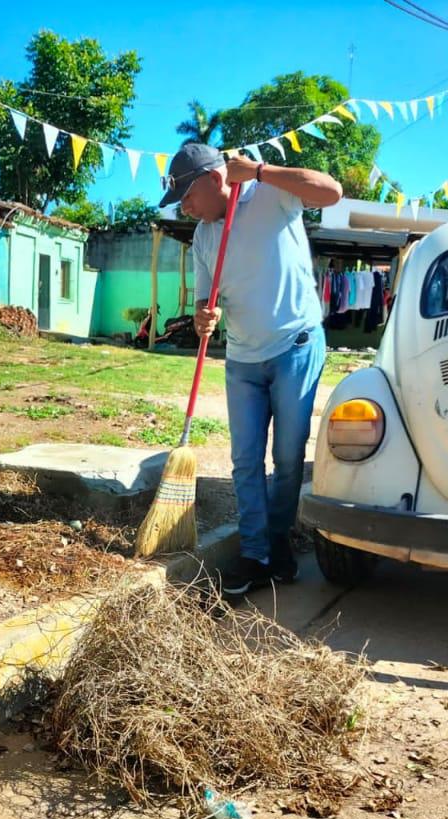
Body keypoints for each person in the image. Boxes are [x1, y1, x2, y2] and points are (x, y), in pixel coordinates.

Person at [159, 143, 343, 595]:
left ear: (213, 179)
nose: (183, 207)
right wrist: (205, 315)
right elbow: (206, 298)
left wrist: (262, 171)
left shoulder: (270, 194)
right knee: (244, 461)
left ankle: (278, 545)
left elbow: (332, 192)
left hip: (295, 347)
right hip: (242, 359)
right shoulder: (204, 236)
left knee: (285, 460)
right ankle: (256, 555)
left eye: (186, 196)